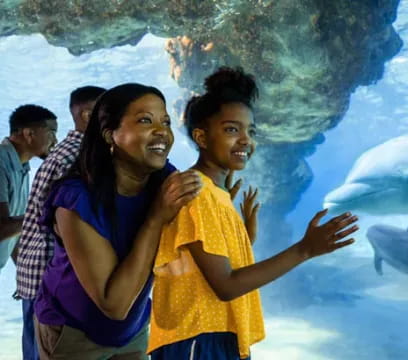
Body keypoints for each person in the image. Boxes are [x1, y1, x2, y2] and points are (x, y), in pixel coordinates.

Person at [147, 67, 359, 360]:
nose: (246, 140)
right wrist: (305, 249)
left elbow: (208, 267)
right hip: (198, 339)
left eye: (251, 131)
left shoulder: (216, 193)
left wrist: (245, 236)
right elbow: (225, 285)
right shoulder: (197, 193)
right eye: (232, 129)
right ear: (202, 137)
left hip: (213, 335)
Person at [33, 83, 202, 359]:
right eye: (145, 120)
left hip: (132, 329)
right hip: (74, 332)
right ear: (111, 135)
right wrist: (156, 217)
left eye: (166, 121)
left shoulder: (161, 179)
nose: (162, 131)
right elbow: (113, 304)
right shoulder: (75, 200)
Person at [16, 86, 106, 360]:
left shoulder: (70, 150)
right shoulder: (78, 155)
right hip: (48, 275)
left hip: (36, 273)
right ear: (89, 115)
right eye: (112, 112)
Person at [0, 104, 58, 273]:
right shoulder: (2, 163)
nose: (55, 141)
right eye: (52, 132)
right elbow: (2, 228)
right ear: (28, 134)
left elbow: (14, 231)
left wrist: (27, 276)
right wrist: (48, 214)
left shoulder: (21, 166)